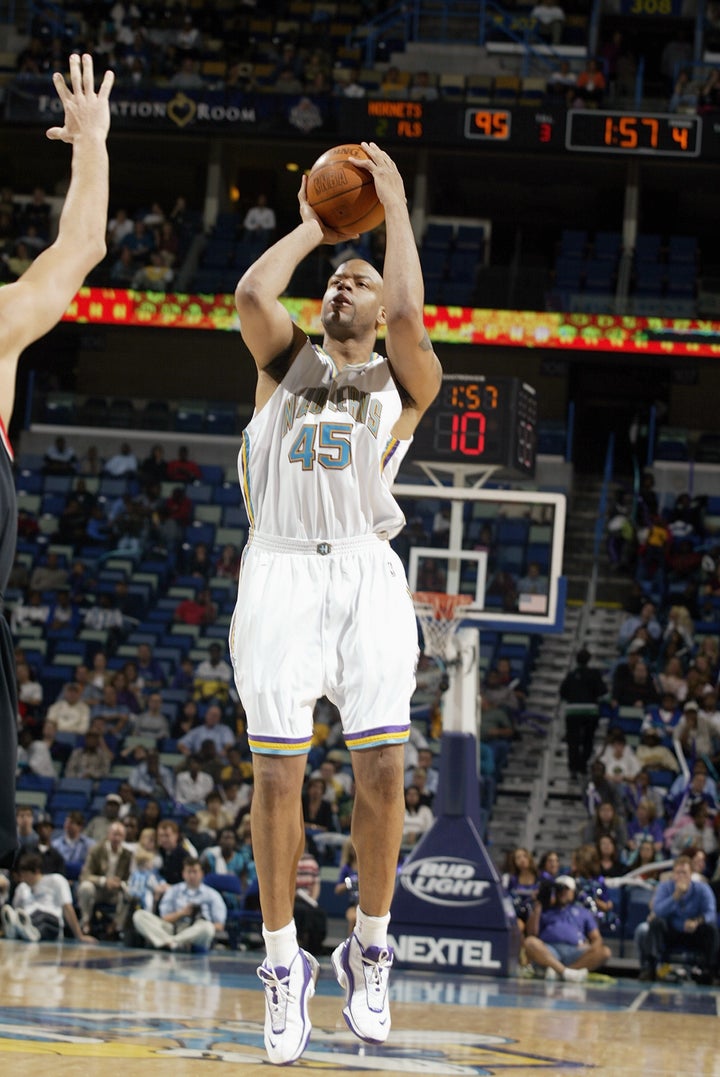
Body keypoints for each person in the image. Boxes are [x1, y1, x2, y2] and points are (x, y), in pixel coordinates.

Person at [231, 139, 441, 1064]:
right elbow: (249, 296)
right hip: (278, 569)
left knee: (383, 772)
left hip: (364, 571)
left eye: (357, 278)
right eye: (337, 281)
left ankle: (371, 943)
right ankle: (285, 965)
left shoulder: (402, 384)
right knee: (278, 776)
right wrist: (315, 227)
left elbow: (406, 311)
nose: (344, 287)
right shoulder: (285, 364)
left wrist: (391, 214)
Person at [635, 854, 719, 983]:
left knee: (711, 929)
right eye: (677, 872)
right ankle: (650, 968)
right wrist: (675, 896)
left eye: (684, 873)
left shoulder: (702, 888)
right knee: (656, 923)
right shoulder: (665, 887)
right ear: (673, 874)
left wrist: (696, 922)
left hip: (694, 931)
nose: (680, 876)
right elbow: (657, 910)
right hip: (671, 932)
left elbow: (711, 913)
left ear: (691, 874)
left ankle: (710, 971)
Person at [524, 874, 611, 981]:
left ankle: (563, 971)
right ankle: (565, 972)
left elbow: (597, 938)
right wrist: (539, 904)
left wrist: (590, 948)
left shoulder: (582, 911)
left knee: (604, 951)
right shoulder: (545, 910)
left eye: (567, 889)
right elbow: (532, 933)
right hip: (550, 950)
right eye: (560, 889)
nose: (563, 893)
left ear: (574, 892)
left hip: (575, 951)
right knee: (530, 942)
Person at [132, 856, 227, 951]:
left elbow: (219, 926)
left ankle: (171, 942)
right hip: (173, 927)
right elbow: (164, 918)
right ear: (183, 874)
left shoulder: (212, 895)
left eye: (195, 872)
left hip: (196, 931)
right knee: (139, 915)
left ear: (202, 874)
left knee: (208, 928)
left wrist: (198, 918)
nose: (192, 875)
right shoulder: (173, 890)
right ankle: (173, 943)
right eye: (189, 872)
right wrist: (182, 913)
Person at [2, 852, 96, 943]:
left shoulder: (56, 880)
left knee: (43, 920)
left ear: (36, 871)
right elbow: (17, 911)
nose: (23, 879)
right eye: (22, 875)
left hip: (49, 919)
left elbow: (67, 908)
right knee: (23, 917)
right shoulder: (21, 888)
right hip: (29, 917)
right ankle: (19, 930)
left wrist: (79, 935)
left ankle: (30, 931)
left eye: (26, 875)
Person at [77, 820, 132, 937]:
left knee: (130, 893)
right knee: (85, 887)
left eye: (120, 835)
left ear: (124, 837)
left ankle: (115, 925)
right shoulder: (96, 850)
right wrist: (104, 881)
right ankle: (85, 922)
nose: (117, 838)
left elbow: (129, 879)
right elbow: (85, 875)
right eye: (114, 834)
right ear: (108, 834)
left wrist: (120, 884)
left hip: (116, 892)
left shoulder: (128, 855)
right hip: (98, 889)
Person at [559, 648, 606, 779]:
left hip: (573, 711)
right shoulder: (594, 674)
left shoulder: (571, 675)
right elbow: (602, 691)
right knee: (588, 740)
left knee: (572, 741)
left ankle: (573, 768)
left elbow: (562, 693)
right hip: (590, 711)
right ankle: (583, 765)